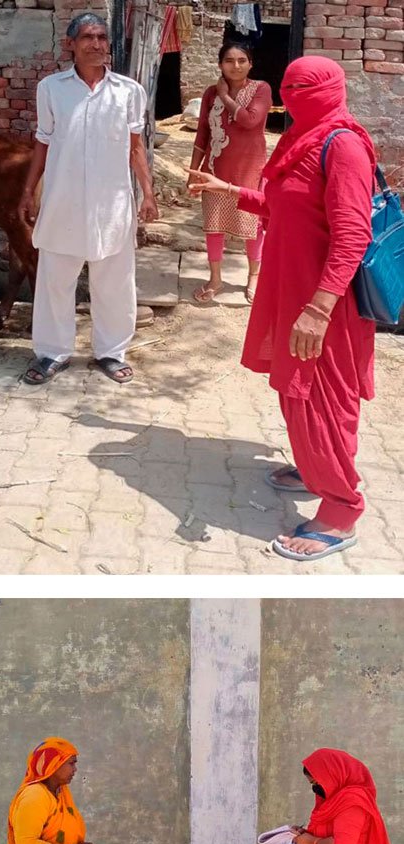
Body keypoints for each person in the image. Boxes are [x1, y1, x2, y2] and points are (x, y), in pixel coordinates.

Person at [189, 58, 377, 561]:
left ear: (333, 90)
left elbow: (353, 233)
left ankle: (341, 509)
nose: (293, 94)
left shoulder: (343, 146)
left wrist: (318, 309)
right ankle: (313, 467)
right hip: (289, 290)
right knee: (297, 393)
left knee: (321, 398)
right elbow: (281, 207)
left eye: (305, 88)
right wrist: (229, 191)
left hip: (324, 304)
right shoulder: (302, 140)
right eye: (289, 86)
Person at [18, 13, 159, 387]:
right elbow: (43, 142)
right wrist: (29, 190)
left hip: (111, 204)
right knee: (55, 281)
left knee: (114, 281)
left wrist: (148, 193)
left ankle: (112, 352)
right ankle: (52, 353)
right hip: (62, 201)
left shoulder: (128, 91)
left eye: (101, 37)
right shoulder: (52, 89)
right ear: (72, 44)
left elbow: (136, 148)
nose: (96, 44)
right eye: (87, 37)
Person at [189, 43, 272, 304]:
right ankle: (215, 279)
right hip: (215, 167)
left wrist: (225, 96)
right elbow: (203, 131)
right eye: (229, 60)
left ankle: (254, 276)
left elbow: (250, 121)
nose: (235, 66)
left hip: (250, 169)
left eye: (241, 60)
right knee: (213, 225)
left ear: (251, 64)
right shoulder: (209, 93)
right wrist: (194, 171)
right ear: (220, 64)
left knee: (252, 226)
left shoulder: (261, 89)